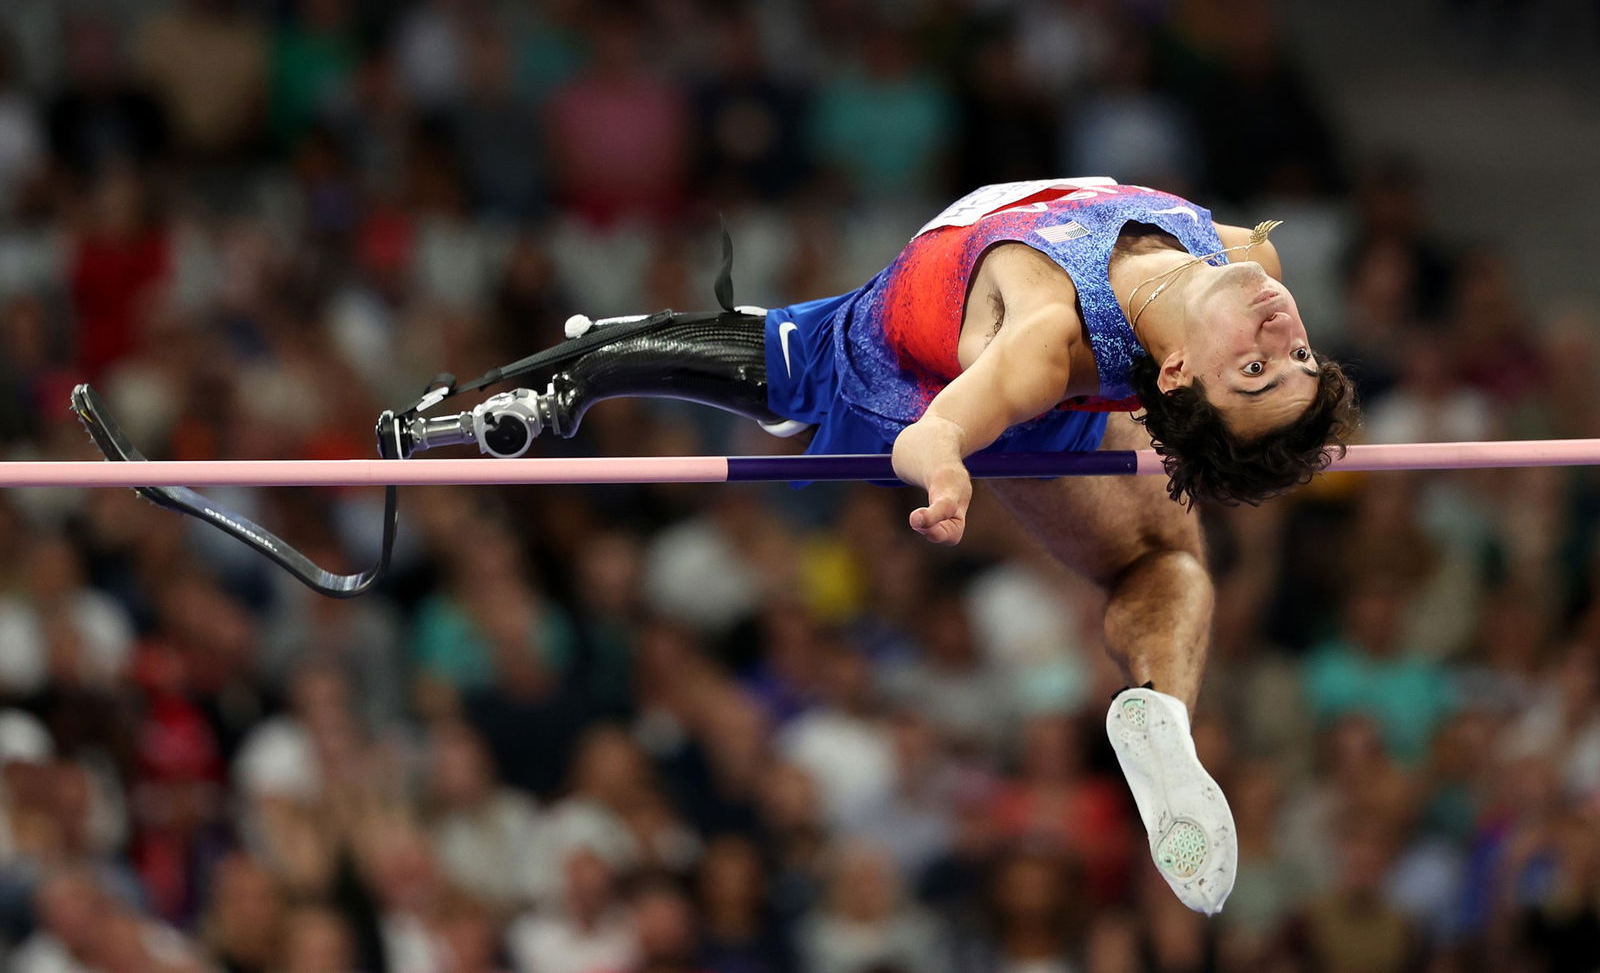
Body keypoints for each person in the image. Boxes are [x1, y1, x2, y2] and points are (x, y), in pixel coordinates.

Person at [411, 177, 1360, 914]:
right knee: (1169, 562)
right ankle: (1163, 705)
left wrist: (946, 466)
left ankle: (597, 372)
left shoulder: (1044, 338)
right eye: (1292, 359)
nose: (1282, 335)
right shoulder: (1239, 263)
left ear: (1184, 372)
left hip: (910, 381)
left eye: (1256, 369)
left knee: (798, 368)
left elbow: (937, 433)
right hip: (1032, 381)